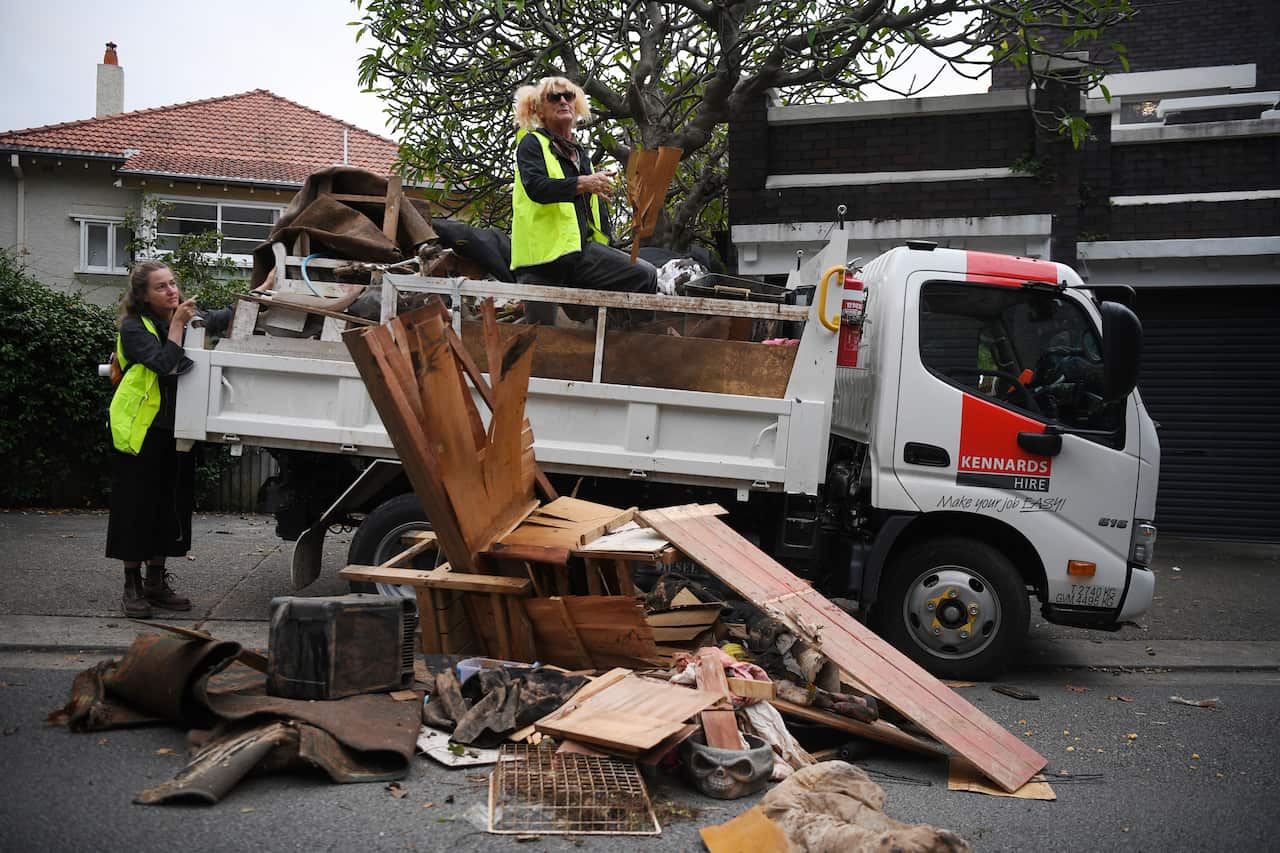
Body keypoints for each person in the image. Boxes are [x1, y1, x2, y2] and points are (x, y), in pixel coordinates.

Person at [106, 261, 238, 617]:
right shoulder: (135, 328)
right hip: (140, 432)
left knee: (170, 508)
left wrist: (257, 291)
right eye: (161, 287)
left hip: (175, 432)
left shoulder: (180, 320)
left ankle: (155, 582)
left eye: (172, 283)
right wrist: (179, 324)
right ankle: (131, 586)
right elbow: (164, 363)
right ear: (143, 296)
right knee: (136, 509)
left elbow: (221, 317)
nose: (171, 290)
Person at [510, 76, 656, 322]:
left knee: (644, 274)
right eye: (554, 97)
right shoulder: (532, 144)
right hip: (542, 262)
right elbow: (537, 188)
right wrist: (583, 183)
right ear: (539, 110)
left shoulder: (580, 154)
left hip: (578, 255)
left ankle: (631, 347)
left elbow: (591, 210)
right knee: (537, 340)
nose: (564, 101)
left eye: (569, 96)